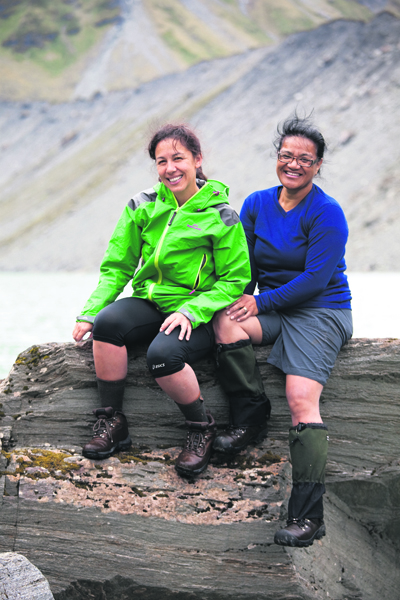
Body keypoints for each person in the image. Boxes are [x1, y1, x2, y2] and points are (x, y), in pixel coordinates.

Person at [72, 123, 250, 478]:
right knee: (108, 324)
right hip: (150, 302)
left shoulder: (221, 215)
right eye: (161, 161)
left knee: (162, 356)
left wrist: (191, 309)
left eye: (178, 158)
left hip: (196, 312)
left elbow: (235, 279)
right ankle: (113, 422)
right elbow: (117, 266)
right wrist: (89, 313)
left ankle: (201, 429)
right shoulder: (142, 205)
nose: (170, 168)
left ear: (197, 160)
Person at [212, 114, 352, 547]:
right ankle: (251, 416)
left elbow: (314, 280)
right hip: (274, 307)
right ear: (277, 158)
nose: (294, 164)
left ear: (318, 165)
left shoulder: (327, 212)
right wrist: (236, 299)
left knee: (300, 398)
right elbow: (248, 270)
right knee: (224, 324)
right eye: (286, 155)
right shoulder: (256, 203)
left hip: (320, 311)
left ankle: (309, 515)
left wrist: (260, 301)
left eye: (304, 159)